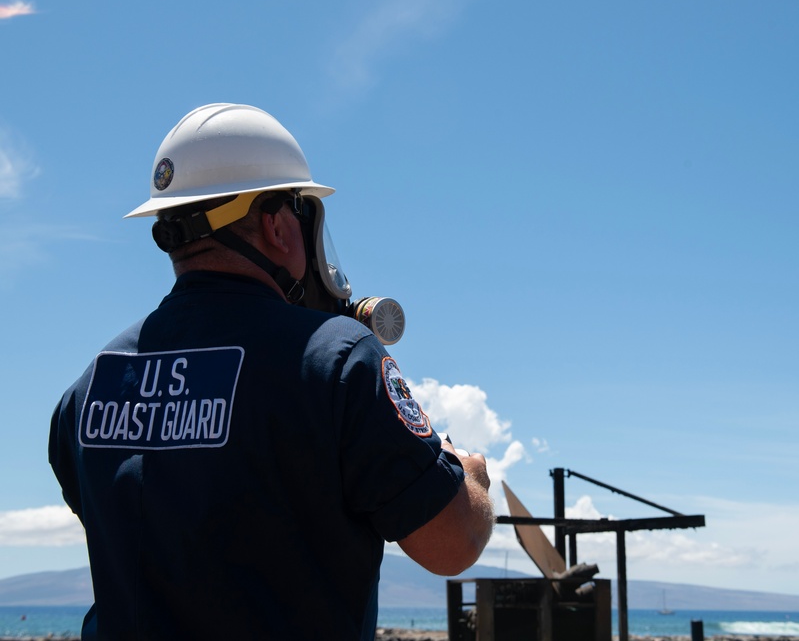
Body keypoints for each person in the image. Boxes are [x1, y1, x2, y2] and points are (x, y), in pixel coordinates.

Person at [48, 103, 494, 640]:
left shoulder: (89, 388)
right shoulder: (337, 360)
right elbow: (453, 545)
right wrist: (466, 474)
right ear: (280, 224)